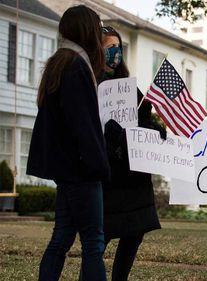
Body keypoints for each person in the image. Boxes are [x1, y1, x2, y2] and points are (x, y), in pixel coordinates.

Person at [26, 6, 109, 281]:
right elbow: (83, 125)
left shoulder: (60, 62)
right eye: (97, 27)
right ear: (86, 30)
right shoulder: (76, 66)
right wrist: (99, 166)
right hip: (82, 171)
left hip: (67, 171)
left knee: (61, 238)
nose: (100, 33)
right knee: (93, 244)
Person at [99, 26, 161, 281]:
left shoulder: (128, 86)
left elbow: (142, 117)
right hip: (109, 173)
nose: (115, 52)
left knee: (134, 235)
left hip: (134, 172)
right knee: (100, 238)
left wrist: (154, 128)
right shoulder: (91, 83)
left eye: (118, 47)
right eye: (108, 47)